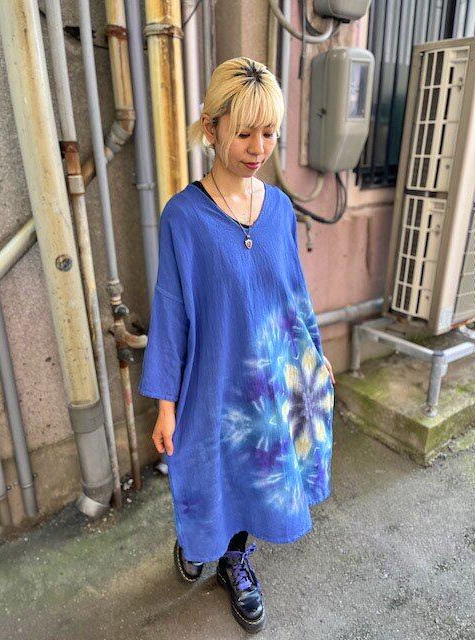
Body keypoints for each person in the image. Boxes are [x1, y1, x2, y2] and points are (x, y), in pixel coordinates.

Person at [138, 56, 335, 634]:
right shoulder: (183, 217)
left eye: (268, 133)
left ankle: (234, 560)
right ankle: (198, 538)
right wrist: (165, 404)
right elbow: (171, 311)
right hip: (209, 379)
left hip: (270, 376)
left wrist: (314, 356)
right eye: (245, 132)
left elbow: (292, 293)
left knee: (258, 470)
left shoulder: (279, 209)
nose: (258, 148)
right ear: (212, 128)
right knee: (207, 470)